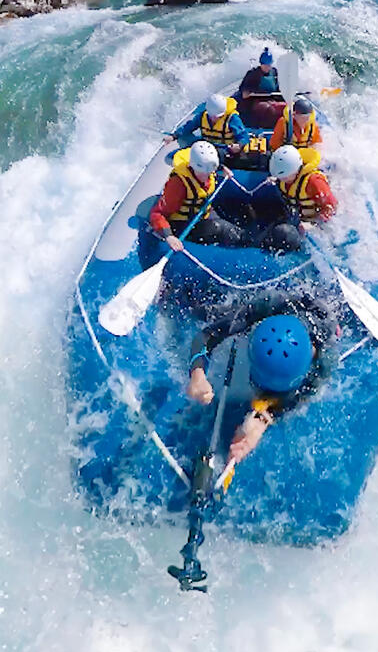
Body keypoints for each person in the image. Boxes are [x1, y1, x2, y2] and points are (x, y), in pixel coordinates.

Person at [184, 291, 343, 464]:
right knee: (204, 312)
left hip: (324, 312)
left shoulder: (325, 362)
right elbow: (206, 336)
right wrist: (197, 374)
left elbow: (299, 397)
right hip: (285, 301)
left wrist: (265, 419)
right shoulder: (268, 306)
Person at [147, 140, 246, 249]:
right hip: (184, 224)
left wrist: (222, 168)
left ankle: (244, 239)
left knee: (231, 217)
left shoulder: (206, 168)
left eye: (211, 171)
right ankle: (246, 243)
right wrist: (169, 235)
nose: (207, 175)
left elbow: (210, 167)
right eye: (203, 172)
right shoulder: (178, 184)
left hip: (202, 213)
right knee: (222, 228)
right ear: (193, 166)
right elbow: (157, 213)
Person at [260, 143, 337, 253]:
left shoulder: (314, 182)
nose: (282, 179)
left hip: (316, 227)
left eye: (284, 177)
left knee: (284, 232)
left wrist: (314, 225)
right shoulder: (285, 178)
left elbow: (332, 207)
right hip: (296, 221)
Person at [173, 92, 247, 151]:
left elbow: (243, 136)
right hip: (205, 148)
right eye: (212, 115)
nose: (214, 118)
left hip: (225, 150)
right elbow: (187, 127)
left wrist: (239, 145)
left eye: (218, 116)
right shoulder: (202, 116)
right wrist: (174, 136)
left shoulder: (232, 119)